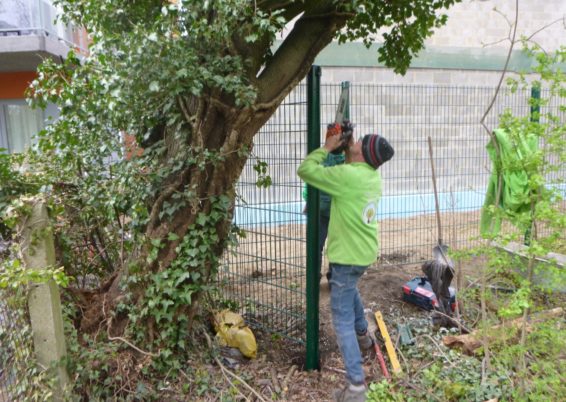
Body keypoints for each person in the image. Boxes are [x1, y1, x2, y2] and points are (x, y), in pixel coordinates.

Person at [297, 127, 394, 402]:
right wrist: (350, 147)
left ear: (362, 154)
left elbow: (306, 170)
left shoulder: (347, 176)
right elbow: (354, 167)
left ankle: (355, 386)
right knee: (349, 289)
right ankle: (364, 336)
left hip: (347, 257)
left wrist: (327, 148)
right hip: (363, 254)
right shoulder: (371, 176)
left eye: (360, 141)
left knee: (340, 320)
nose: (356, 139)